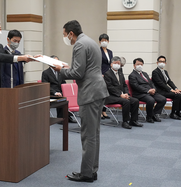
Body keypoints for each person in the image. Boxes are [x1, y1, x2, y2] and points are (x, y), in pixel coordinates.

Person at [53, 20, 109, 182]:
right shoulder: (90, 41)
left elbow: (77, 73)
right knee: (94, 134)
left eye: (65, 35)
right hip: (97, 91)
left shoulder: (79, 44)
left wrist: (61, 70)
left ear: (71, 33)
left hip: (90, 93)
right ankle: (91, 170)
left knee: (88, 135)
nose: (65, 38)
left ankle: (86, 174)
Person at [104, 56, 143, 129]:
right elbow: (110, 87)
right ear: (111, 64)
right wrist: (120, 94)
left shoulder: (120, 73)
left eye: (119, 63)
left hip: (120, 95)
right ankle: (125, 122)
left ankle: (134, 120)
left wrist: (127, 94)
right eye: (115, 63)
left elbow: (125, 85)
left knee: (135, 101)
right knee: (126, 102)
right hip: (110, 96)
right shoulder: (107, 74)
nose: (117, 65)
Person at [128, 58, 166, 123]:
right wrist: (148, 91)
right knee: (151, 100)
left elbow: (151, 83)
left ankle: (154, 114)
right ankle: (149, 117)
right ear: (134, 65)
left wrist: (154, 89)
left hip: (150, 92)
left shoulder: (145, 74)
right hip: (140, 93)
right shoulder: (132, 75)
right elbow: (136, 86)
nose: (140, 66)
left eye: (141, 64)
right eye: (138, 64)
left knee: (163, 99)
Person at [41, 55, 76, 123]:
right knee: (60, 97)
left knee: (68, 96)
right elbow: (46, 85)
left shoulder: (60, 72)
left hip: (61, 91)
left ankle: (67, 116)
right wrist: (54, 92)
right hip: (52, 93)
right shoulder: (45, 73)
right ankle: (61, 118)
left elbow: (63, 82)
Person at [99, 33, 113, 119]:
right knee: (101, 94)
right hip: (101, 74)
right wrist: (100, 73)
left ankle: (104, 111)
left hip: (109, 75)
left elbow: (110, 63)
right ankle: (99, 111)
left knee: (107, 94)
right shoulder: (98, 51)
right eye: (102, 40)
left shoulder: (110, 52)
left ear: (108, 41)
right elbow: (97, 63)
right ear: (100, 41)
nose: (104, 42)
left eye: (105, 40)